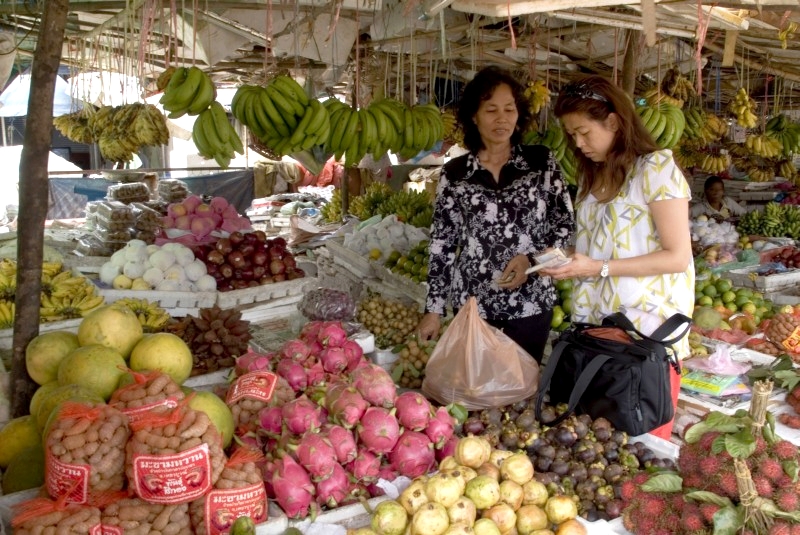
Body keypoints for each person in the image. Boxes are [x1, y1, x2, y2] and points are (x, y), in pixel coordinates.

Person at [544, 75, 694, 439]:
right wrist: (551, 259)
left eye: (583, 132)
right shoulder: (590, 180)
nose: (577, 144)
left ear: (612, 122)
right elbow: (594, 246)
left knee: (640, 450)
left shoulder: (655, 170)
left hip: (643, 343)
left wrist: (598, 268)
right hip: (596, 336)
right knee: (596, 452)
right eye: (571, 136)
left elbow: (677, 256)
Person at [416, 66, 575, 363]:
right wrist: (434, 310)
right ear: (474, 117)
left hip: (530, 304)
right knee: (477, 394)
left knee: (520, 390)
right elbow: (443, 244)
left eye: (509, 109)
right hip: (475, 306)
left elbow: (565, 226)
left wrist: (532, 261)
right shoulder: (455, 174)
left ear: (519, 114)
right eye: (491, 110)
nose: (501, 119)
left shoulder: (541, 163)